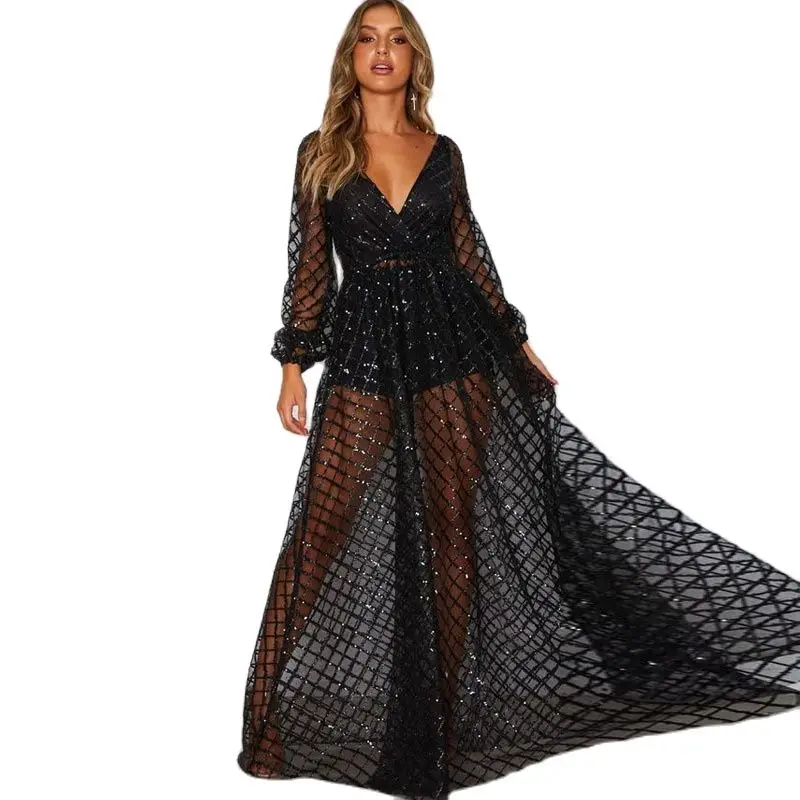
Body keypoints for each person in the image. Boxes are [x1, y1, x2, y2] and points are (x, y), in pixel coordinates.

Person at [237, 2, 800, 798]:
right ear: (349, 57)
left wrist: (515, 336)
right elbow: (307, 269)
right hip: (363, 357)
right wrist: (294, 365)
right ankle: (268, 725)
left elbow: (468, 252)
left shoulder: (443, 151)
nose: (382, 51)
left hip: (456, 352)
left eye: (398, 39)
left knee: (455, 538)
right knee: (318, 536)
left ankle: (439, 726)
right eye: (368, 38)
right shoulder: (320, 152)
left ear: (415, 59)